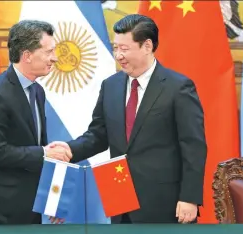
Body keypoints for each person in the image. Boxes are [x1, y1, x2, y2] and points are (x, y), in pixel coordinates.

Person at [50, 14, 207, 224]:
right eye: (115, 48)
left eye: (124, 49)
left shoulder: (178, 87)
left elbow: (193, 146)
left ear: (147, 46)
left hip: (163, 202)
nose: (118, 55)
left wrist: (189, 197)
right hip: (119, 195)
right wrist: (70, 150)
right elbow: (98, 135)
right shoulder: (111, 85)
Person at [0, 20, 72, 225]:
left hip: (28, 206)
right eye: (48, 52)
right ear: (27, 56)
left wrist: (51, 201)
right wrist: (45, 152)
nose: (54, 58)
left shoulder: (37, 90)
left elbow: (36, 149)